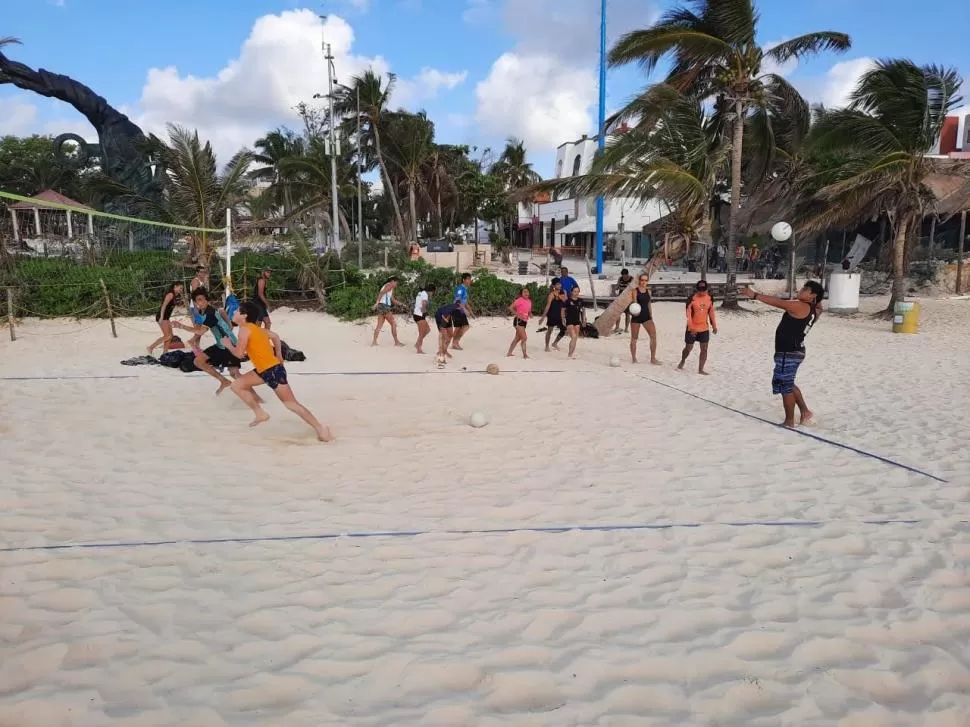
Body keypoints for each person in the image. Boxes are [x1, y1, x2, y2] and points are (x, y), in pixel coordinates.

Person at [221, 301, 332, 441]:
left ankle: (321, 429)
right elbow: (275, 336)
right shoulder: (256, 329)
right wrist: (278, 354)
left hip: (272, 370)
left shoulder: (244, 329)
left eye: (237, 311)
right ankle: (260, 413)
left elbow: (238, 354)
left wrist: (228, 345)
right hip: (264, 370)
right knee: (237, 385)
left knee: (291, 404)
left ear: (244, 316)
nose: (234, 312)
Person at [741, 281, 824, 428]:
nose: (801, 290)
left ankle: (789, 421)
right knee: (788, 382)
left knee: (785, 386)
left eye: (805, 289)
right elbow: (819, 309)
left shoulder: (801, 306)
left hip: (789, 351)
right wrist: (817, 301)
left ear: (813, 295)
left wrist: (754, 295)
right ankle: (805, 413)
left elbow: (779, 303)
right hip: (795, 350)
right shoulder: (813, 310)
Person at [172, 289, 243, 394]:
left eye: (200, 300)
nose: (198, 303)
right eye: (196, 301)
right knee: (198, 361)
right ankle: (224, 381)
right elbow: (201, 328)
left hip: (229, 344)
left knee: (234, 373)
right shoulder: (204, 312)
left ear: (207, 300)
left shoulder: (210, 313)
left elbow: (200, 331)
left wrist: (181, 326)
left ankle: (253, 394)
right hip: (221, 345)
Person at [678, 280, 718, 375]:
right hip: (692, 328)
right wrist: (691, 328)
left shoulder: (710, 298)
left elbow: (711, 313)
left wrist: (714, 326)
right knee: (688, 348)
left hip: (704, 327)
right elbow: (688, 315)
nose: (701, 291)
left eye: (703, 288)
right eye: (699, 289)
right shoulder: (691, 298)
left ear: (706, 288)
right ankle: (683, 360)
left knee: (704, 349)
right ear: (697, 289)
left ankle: (701, 369)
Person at [629, 274, 659, 365]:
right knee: (634, 338)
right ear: (639, 280)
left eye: (646, 280)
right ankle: (634, 358)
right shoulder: (635, 291)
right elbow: (635, 303)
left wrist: (651, 315)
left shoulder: (648, 291)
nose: (644, 282)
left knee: (653, 335)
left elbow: (649, 304)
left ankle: (653, 359)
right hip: (636, 315)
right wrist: (635, 312)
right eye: (642, 280)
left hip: (646, 316)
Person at [147, 282, 184, 354]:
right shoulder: (170, 294)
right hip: (162, 317)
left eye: (182, 288)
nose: (181, 290)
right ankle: (151, 347)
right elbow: (163, 306)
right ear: (175, 286)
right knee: (167, 336)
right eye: (180, 288)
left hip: (166, 317)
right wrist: (161, 317)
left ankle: (165, 352)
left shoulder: (176, 295)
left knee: (170, 336)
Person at [371, 277, 405, 347]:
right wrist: (376, 303)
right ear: (392, 281)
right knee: (393, 324)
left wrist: (402, 304)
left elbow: (393, 300)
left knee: (379, 325)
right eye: (396, 283)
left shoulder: (389, 287)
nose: (396, 285)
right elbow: (381, 293)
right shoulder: (389, 285)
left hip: (381, 306)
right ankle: (396, 342)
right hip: (384, 306)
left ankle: (374, 342)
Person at [539, 278, 566, 352]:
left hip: (560, 314)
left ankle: (555, 343)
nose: (559, 285)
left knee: (563, 330)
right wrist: (542, 318)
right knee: (550, 330)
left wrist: (563, 316)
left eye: (560, 283)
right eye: (557, 284)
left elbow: (565, 302)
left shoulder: (563, 292)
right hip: (552, 314)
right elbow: (547, 306)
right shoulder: (551, 294)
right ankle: (546, 346)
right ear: (554, 286)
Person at [506, 287, 532, 359]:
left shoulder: (529, 301)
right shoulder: (519, 300)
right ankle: (525, 355)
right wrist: (517, 314)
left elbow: (528, 310)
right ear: (521, 294)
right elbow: (510, 308)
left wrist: (530, 314)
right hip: (518, 321)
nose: (526, 293)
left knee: (517, 338)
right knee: (524, 337)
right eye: (524, 292)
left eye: (527, 292)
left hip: (524, 322)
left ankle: (509, 353)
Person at [451, 273, 474, 350]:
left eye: (470, 279)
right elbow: (457, 301)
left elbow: (465, 302)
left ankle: (454, 343)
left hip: (460, 310)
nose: (470, 281)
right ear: (464, 280)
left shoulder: (465, 289)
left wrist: (471, 312)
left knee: (459, 327)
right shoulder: (460, 289)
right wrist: (465, 310)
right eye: (468, 279)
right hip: (457, 310)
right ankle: (454, 343)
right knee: (464, 327)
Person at [563, 285, 585, 359]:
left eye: (577, 291)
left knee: (575, 338)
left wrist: (584, 320)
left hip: (577, 321)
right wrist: (563, 319)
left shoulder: (580, 301)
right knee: (573, 336)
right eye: (574, 291)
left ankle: (571, 354)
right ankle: (569, 355)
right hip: (569, 321)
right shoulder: (568, 301)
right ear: (572, 292)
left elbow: (583, 311)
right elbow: (562, 310)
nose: (576, 293)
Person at [413, 283, 436, 354]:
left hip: (417, 314)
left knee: (428, 330)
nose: (432, 294)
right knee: (422, 333)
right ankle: (419, 349)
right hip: (419, 315)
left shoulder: (421, 292)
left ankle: (417, 344)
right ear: (431, 291)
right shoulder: (425, 294)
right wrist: (424, 311)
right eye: (433, 292)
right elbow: (424, 303)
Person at [613, 268, 634, 334]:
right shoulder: (620, 278)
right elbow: (617, 286)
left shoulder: (631, 279)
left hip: (628, 298)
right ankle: (617, 327)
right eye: (623, 276)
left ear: (627, 274)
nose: (624, 277)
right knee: (618, 313)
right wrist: (615, 290)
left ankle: (626, 328)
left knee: (627, 314)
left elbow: (632, 289)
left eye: (625, 276)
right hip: (621, 297)